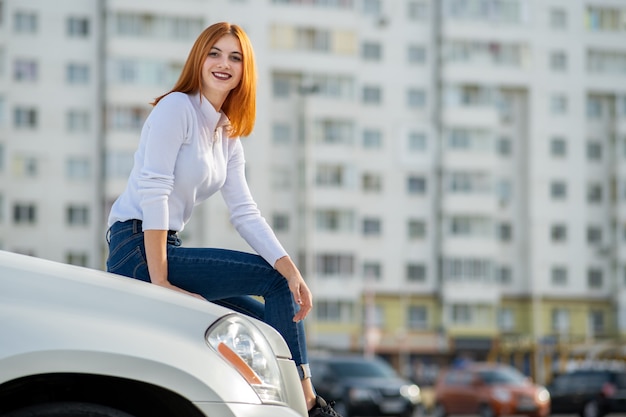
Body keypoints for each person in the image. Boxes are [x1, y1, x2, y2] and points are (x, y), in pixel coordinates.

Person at [105, 22, 341, 417]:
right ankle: (309, 406)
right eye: (215, 52)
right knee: (274, 282)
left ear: (244, 71)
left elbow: (245, 212)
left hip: (163, 247)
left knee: (268, 321)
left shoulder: (226, 133)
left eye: (235, 57)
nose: (223, 63)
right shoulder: (176, 108)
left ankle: (282, 405)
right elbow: (155, 190)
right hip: (138, 247)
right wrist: (161, 280)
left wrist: (292, 268)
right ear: (199, 58)